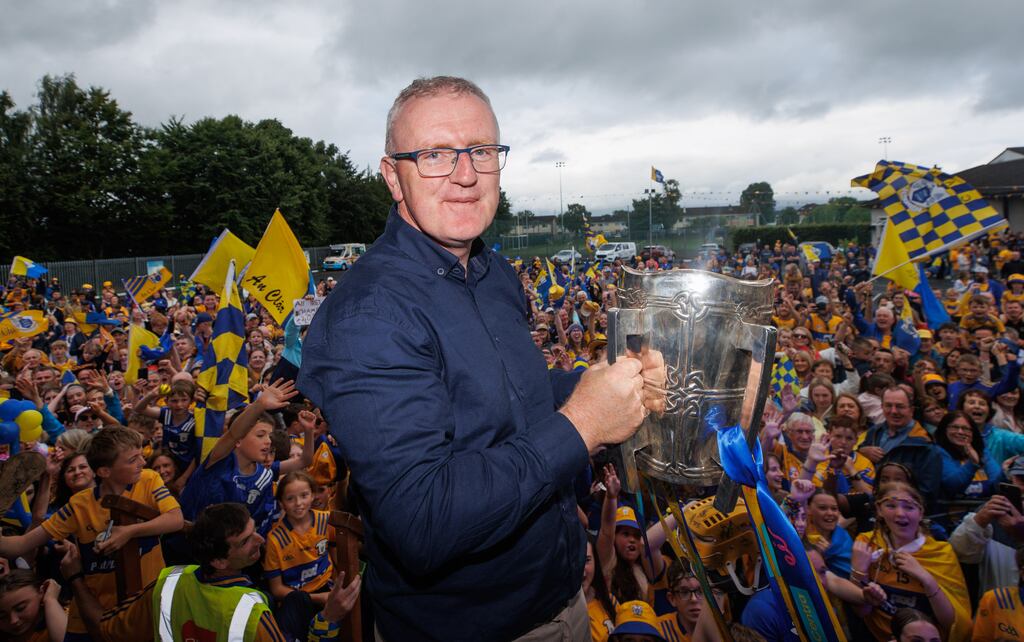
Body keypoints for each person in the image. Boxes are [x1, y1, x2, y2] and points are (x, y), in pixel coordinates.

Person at [297, 75, 652, 641]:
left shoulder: (492, 272)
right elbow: (423, 519)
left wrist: (607, 384)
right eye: (435, 154)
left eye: (482, 151)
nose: (465, 175)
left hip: (563, 600)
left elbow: (516, 402)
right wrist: (583, 424)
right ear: (393, 175)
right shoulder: (369, 315)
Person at [58, 502, 360, 642]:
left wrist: (74, 578)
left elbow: (102, 628)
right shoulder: (251, 613)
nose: (260, 541)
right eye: (246, 541)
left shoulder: (167, 583)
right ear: (219, 561)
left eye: (254, 531)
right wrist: (329, 618)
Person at [0, 426, 184, 640]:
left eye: (141, 457)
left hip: (146, 607)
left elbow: (176, 519)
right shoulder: (79, 504)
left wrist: (129, 532)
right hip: (92, 617)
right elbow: (20, 546)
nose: (143, 463)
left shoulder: (148, 480)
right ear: (105, 471)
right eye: (133, 459)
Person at [850, 482, 971, 642]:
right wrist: (859, 572)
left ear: (920, 513)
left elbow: (954, 624)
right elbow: (862, 611)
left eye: (909, 507)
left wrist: (926, 579)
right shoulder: (867, 543)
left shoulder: (940, 553)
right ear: (879, 510)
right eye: (891, 506)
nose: (900, 513)